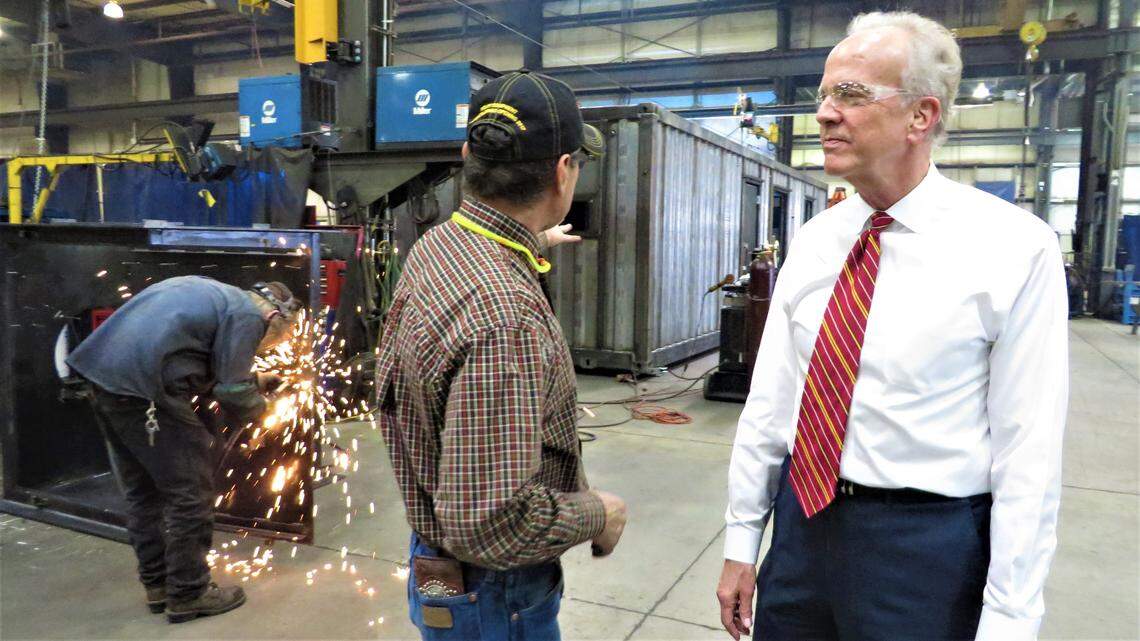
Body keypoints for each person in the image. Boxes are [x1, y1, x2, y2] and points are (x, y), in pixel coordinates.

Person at [717, 11, 1068, 641]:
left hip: (924, 551)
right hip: (802, 529)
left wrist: (1011, 618)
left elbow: (1029, 452)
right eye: (824, 94)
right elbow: (771, 404)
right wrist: (744, 538)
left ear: (920, 116)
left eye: (850, 95)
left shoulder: (1014, 249)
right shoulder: (819, 240)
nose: (825, 113)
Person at [376, 70, 628, 641]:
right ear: (564, 170)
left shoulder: (442, 244)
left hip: (441, 573)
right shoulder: (504, 318)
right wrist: (601, 511)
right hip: (495, 593)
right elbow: (491, 525)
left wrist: (536, 241)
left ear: (470, 155)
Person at [67, 276, 299, 623]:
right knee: (190, 492)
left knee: (144, 492)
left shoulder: (217, 295)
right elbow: (232, 392)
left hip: (103, 380)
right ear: (275, 318)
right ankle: (189, 593)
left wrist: (256, 382)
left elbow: (193, 365)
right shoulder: (249, 316)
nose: (263, 348)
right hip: (145, 392)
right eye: (270, 342)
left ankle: (158, 586)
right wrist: (266, 411)